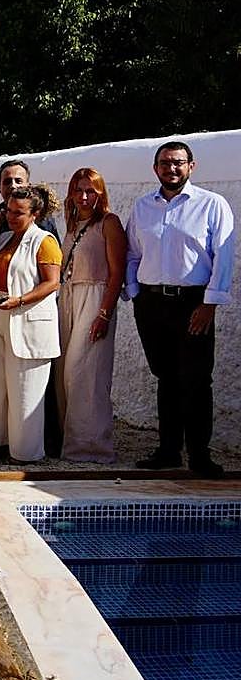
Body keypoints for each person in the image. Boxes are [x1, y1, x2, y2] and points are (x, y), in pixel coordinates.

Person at [126, 141, 234, 477]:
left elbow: (223, 257)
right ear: (155, 168)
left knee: (197, 380)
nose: (171, 169)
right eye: (164, 163)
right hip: (152, 303)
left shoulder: (212, 204)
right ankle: (169, 452)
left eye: (178, 163)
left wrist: (209, 303)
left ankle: (200, 455)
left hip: (193, 303)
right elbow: (133, 253)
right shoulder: (143, 206)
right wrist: (135, 294)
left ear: (191, 166)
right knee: (166, 378)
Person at [0, 159, 63, 456]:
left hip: (25, 318)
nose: (11, 216)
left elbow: (52, 283)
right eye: (9, 211)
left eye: (19, 213)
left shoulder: (45, 240)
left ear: (36, 214)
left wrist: (19, 300)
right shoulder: (3, 237)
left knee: (25, 390)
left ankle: (25, 452)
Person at [55, 168, 125, 463]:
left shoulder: (108, 223)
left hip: (95, 299)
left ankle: (92, 446)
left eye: (91, 190)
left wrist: (104, 314)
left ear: (100, 193)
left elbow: (117, 272)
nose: (84, 196)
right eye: (79, 190)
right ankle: (69, 440)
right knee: (63, 374)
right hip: (68, 298)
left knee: (85, 373)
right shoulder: (72, 224)